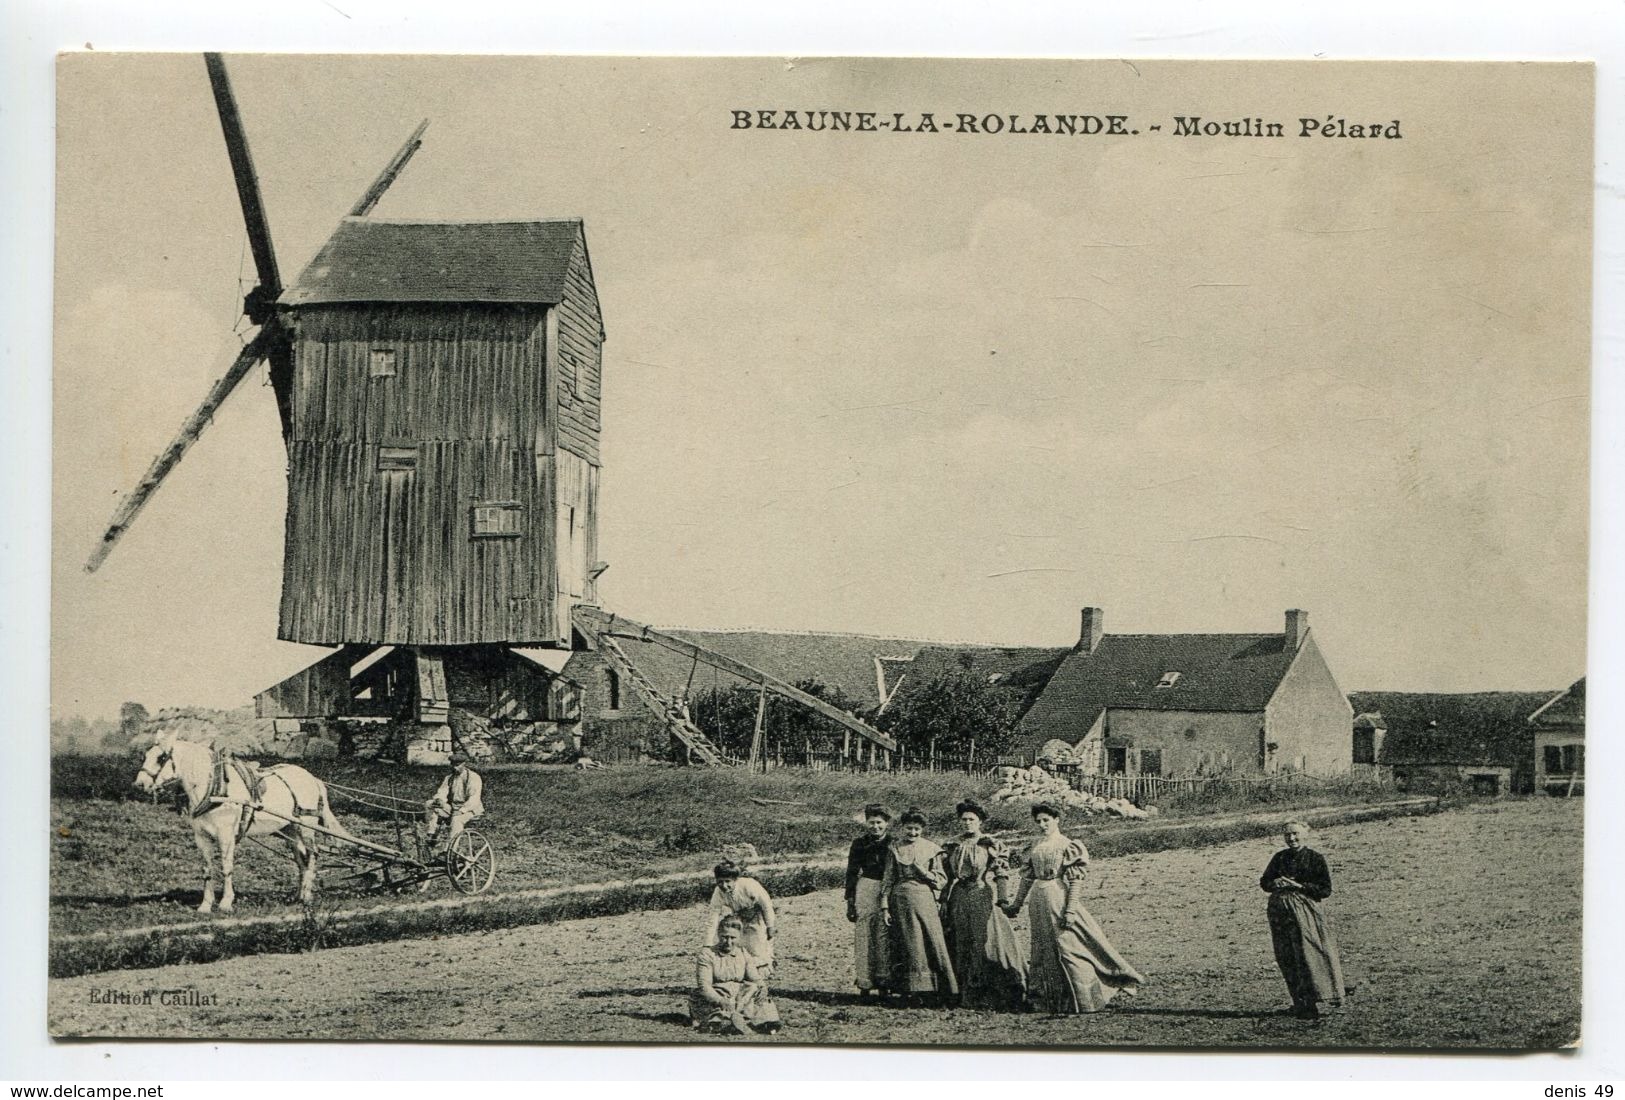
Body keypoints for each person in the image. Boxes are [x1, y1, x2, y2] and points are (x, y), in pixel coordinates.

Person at [1003, 801, 1144, 1014]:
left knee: (1068, 946)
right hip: (1038, 900)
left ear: (1057, 820)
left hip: (1058, 895)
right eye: (1038, 821)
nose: (1042, 825)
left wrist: (1070, 910)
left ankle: (1087, 999)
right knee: (1043, 949)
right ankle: (1048, 1001)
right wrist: (1016, 903)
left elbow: (1076, 880)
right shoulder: (1035, 846)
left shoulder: (1067, 845)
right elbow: (1027, 878)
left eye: (1046, 820)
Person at [941, 799, 1027, 1010]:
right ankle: (964, 993)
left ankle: (990, 993)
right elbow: (947, 877)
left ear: (980, 821)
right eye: (964, 820)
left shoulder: (989, 844)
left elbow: (1000, 872)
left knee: (984, 941)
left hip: (981, 894)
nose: (967, 823)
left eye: (971, 819)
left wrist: (1003, 898)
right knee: (962, 941)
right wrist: (943, 900)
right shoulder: (953, 845)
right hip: (959, 896)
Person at [1260, 820, 1346, 1019]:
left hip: (1305, 912)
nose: (1291, 838)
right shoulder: (1279, 857)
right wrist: (1274, 882)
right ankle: (1299, 1002)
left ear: (1305, 835)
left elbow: (1325, 890)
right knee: (1286, 955)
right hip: (1280, 912)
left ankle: (1317, 1000)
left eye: (1296, 834)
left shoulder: (1315, 858)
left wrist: (1299, 886)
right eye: (1288, 835)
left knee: (1309, 955)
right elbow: (1264, 882)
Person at [880, 807, 959, 1004]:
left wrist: (924, 873)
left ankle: (939, 990)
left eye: (917, 829)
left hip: (924, 898)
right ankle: (911, 991)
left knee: (931, 939)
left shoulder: (932, 849)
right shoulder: (894, 848)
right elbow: (888, 879)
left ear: (922, 828)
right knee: (908, 942)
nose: (912, 833)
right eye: (909, 828)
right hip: (900, 899)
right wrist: (885, 907)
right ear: (902, 828)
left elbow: (941, 880)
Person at [691, 914, 782, 1035]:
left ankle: (753, 1021)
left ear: (739, 937)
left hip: (740, 997)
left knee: (757, 992)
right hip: (717, 994)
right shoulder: (707, 955)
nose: (728, 942)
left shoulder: (743, 953)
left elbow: (754, 977)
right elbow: (704, 986)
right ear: (718, 935)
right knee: (712, 1007)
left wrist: (762, 985)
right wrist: (720, 1000)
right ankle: (730, 1022)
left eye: (733, 938)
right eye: (725, 937)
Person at [844, 803, 895, 996]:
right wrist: (850, 900)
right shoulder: (859, 843)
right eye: (872, 823)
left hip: (887, 889)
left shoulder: (893, 842)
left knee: (884, 934)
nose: (876, 827)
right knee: (864, 933)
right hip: (866, 888)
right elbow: (851, 872)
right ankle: (864, 982)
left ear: (887, 823)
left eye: (879, 823)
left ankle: (884, 982)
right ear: (866, 823)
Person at [704, 860, 777, 970]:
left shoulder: (749, 885)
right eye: (720, 882)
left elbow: (766, 905)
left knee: (759, 946)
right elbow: (712, 917)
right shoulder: (718, 893)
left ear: (735, 880)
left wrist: (770, 926)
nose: (724, 885)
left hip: (758, 915)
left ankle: (767, 965)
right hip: (740, 917)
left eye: (727, 881)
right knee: (740, 945)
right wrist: (707, 943)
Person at [423, 751, 484, 849]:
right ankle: (432, 834)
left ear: (464, 764)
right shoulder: (449, 778)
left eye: (457, 765)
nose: (454, 768)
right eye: (452, 765)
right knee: (429, 804)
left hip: (471, 809)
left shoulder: (473, 778)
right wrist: (439, 800)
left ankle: (450, 849)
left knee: (456, 820)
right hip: (453, 807)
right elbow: (442, 791)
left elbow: (474, 799)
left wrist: (461, 811)